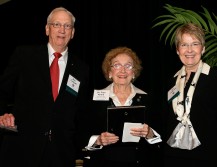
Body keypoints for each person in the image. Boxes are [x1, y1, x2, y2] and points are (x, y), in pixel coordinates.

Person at [0, 7, 89, 167]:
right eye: (56, 24)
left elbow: (82, 112)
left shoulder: (81, 69)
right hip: (21, 148)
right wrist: (2, 115)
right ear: (47, 29)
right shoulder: (24, 55)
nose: (62, 30)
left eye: (67, 26)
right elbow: (2, 90)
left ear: (73, 32)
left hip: (61, 153)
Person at [161, 22, 217, 167]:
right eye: (184, 45)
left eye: (195, 44)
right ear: (177, 50)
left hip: (207, 157)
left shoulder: (216, 79)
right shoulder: (172, 81)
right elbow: (167, 121)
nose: (189, 50)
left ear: (203, 48)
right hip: (174, 156)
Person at [83, 46, 162, 167]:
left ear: (134, 72)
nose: (123, 70)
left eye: (128, 66)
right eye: (117, 65)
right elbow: (80, 135)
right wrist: (98, 140)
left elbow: (160, 140)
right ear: (110, 72)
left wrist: (150, 133)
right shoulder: (93, 100)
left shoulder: (148, 99)